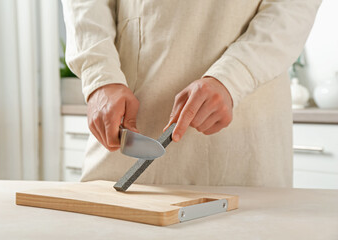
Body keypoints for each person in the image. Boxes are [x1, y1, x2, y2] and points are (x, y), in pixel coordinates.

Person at [62, 0, 321, 187]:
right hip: (128, 115)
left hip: (245, 129)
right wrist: (101, 77)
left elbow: (293, 7)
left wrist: (234, 76)